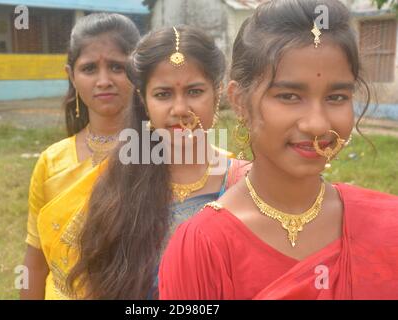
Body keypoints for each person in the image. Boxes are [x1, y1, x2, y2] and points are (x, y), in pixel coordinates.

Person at [159, 0, 398, 299]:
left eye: (336, 97)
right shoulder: (202, 247)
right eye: (289, 96)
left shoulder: (388, 225)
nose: (317, 124)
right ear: (239, 101)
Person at [59, 25, 251, 299]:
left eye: (195, 92)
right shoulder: (118, 184)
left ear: (217, 92)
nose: (181, 109)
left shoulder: (245, 184)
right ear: (144, 101)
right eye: (163, 95)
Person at [20, 13, 140, 299]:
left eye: (116, 67)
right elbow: (36, 264)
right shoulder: (52, 162)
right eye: (89, 69)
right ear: (71, 76)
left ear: (140, 72)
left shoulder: (162, 154)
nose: (103, 80)